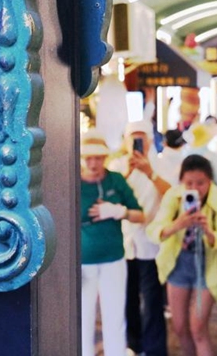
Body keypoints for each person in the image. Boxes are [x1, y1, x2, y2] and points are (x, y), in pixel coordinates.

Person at [147, 154, 217, 356]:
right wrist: (178, 224)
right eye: (189, 183)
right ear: (181, 182)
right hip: (179, 263)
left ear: (210, 180)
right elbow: (154, 231)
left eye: (201, 183)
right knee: (179, 327)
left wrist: (209, 233)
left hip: (209, 264)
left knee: (198, 328)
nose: (195, 188)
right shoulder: (174, 196)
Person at [80, 128, 145, 356]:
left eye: (98, 157)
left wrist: (120, 211)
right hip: (83, 262)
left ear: (105, 158)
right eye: (88, 157)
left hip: (113, 259)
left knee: (115, 317)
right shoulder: (71, 183)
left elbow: (140, 215)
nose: (93, 163)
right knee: (82, 318)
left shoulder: (116, 180)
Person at [108, 120, 170, 356]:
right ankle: (133, 345)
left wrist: (150, 172)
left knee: (152, 299)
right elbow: (111, 194)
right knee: (127, 296)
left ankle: (155, 349)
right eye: (133, 137)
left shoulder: (160, 165)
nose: (138, 142)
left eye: (141, 137)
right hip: (124, 242)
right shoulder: (116, 166)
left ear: (150, 140)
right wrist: (129, 172)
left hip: (151, 243)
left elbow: (172, 193)